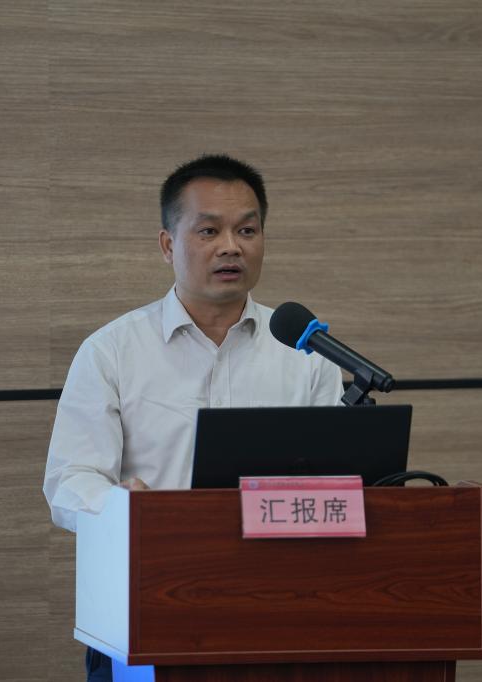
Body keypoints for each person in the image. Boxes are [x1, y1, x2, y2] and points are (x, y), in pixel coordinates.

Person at [43, 154, 343, 681]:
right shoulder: (112, 351)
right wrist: (124, 509)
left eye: (247, 230)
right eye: (209, 230)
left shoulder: (305, 352)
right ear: (167, 245)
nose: (231, 246)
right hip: (148, 605)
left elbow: (340, 478)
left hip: (280, 608)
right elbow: (69, 482)